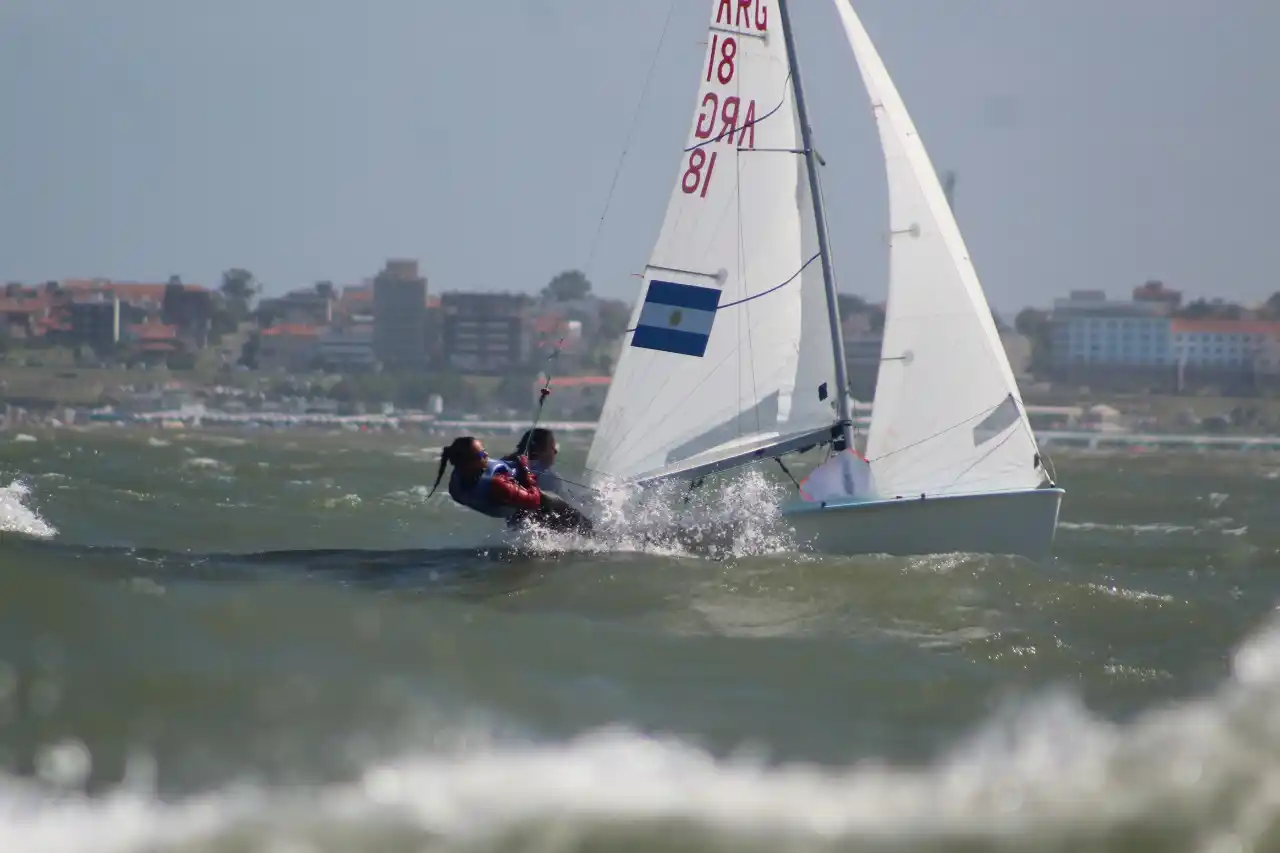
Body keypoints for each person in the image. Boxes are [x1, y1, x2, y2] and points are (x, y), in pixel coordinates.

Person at [430, 435, 592, 535]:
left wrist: (507, 462)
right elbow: (534, 499)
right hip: (529, 503)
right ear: (468, 463)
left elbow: (487, 474)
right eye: (481, 454)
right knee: (553, 502)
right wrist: (525, 468)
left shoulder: (456, 479)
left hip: (507, 506)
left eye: (484, 450)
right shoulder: (497, 484)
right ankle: (593, 533)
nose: (486, 454)